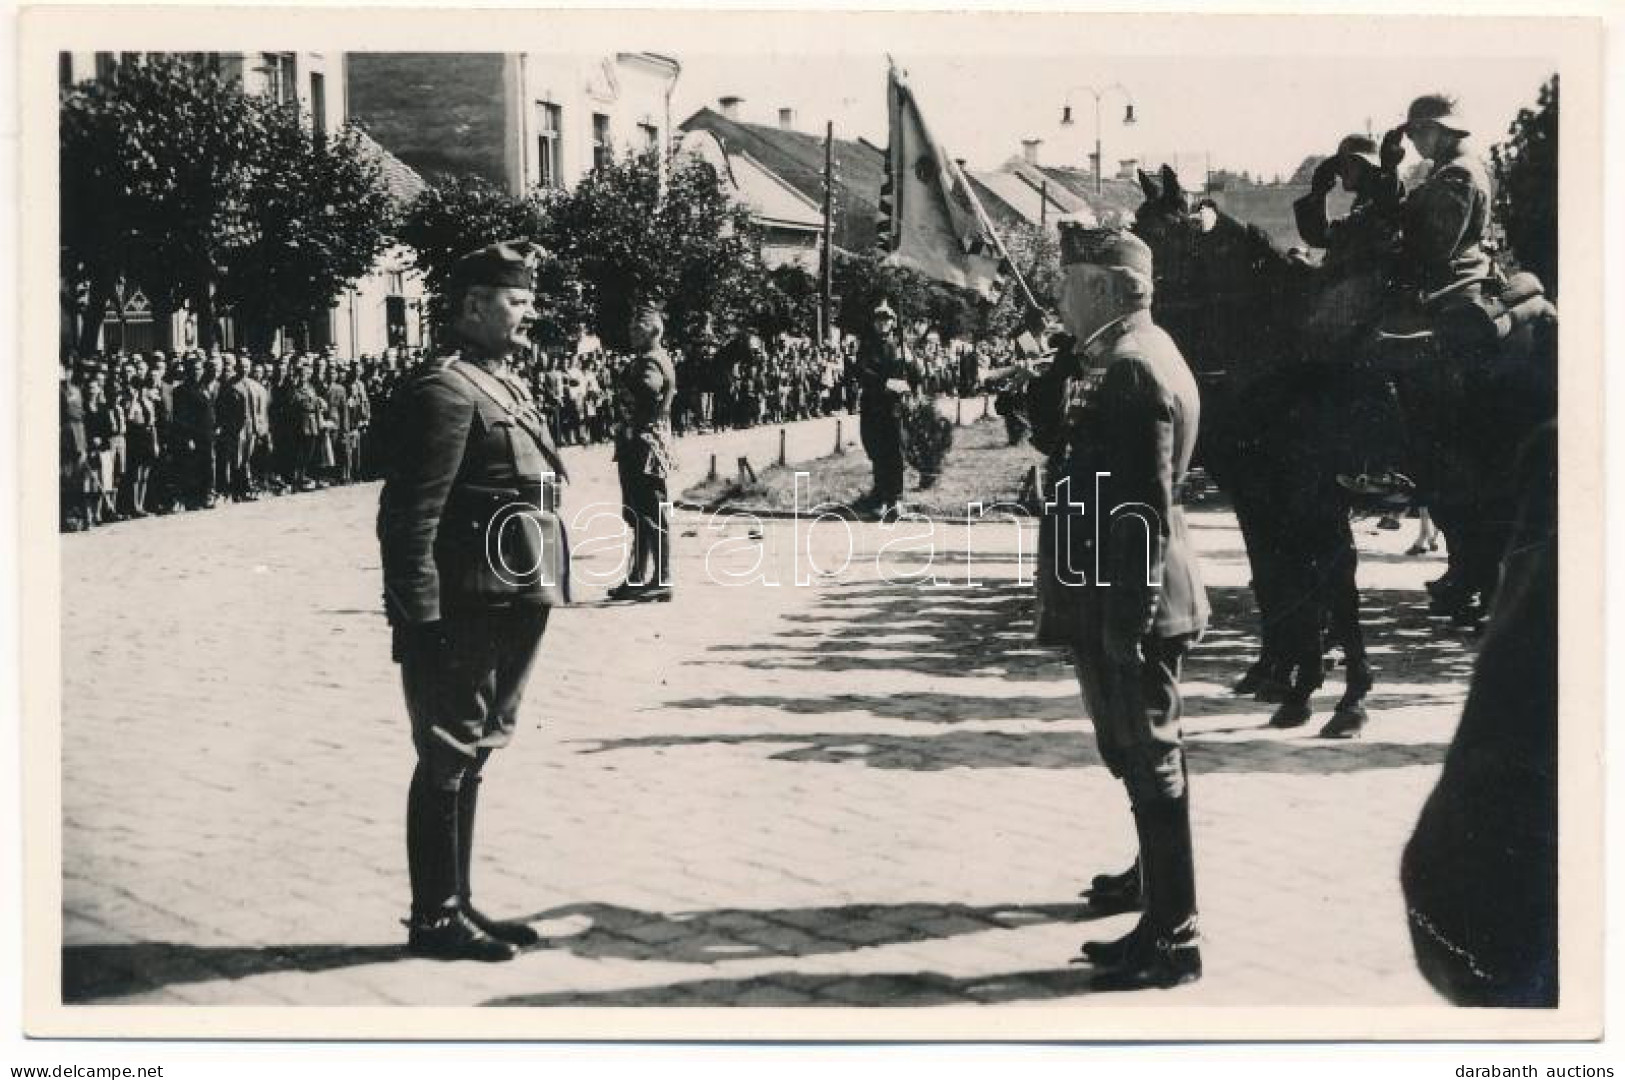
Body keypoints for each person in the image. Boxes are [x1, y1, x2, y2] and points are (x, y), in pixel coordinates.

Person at [377, 239, 570, 962]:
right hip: (462, 607)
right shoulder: (444, 390)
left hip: (514, 595)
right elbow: (411, 516)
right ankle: (433, 919)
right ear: (470, 307)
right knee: (446, 755)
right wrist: (418, 618)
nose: (529, 312)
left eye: (527, 298)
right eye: (516, 301)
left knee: (476, 751)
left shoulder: (502, 383)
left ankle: (453, 902)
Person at [1028, 223, 1210, 990]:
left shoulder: (1133, 370)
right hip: (1119, 589)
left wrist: (1124, 625)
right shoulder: (1130, 353)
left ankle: (1175, 937)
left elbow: (1141, 508)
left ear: (1103, 286)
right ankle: (1154, 896)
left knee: (1148, 755)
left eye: (1068, 282)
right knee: (1139, 752)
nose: (1057, 295)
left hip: (1127, 597)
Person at [609, 301, 678, 602]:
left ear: (653, 330)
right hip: (645, 441)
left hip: (642, 443)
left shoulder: (650, 361)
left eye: (638, 328)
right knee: (641, 512)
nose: (631, 332)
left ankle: (660, 578)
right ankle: (638, 578)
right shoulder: (654, 357)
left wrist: (631, 420)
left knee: (649, 511)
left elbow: (649, 391)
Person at [856, 300, 916, 514]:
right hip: (874, 405)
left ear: (893, 323)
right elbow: (862, 371)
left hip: (894, 406)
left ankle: (896, 498)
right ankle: (881, 497)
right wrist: (885, 383)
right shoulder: (867, 345)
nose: (883, 324)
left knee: (896, 451)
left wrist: (911, 363)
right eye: (879, 320)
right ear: (874, 323)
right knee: (877, 451)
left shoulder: (901, 346)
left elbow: (916, 375)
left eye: (887, 320)